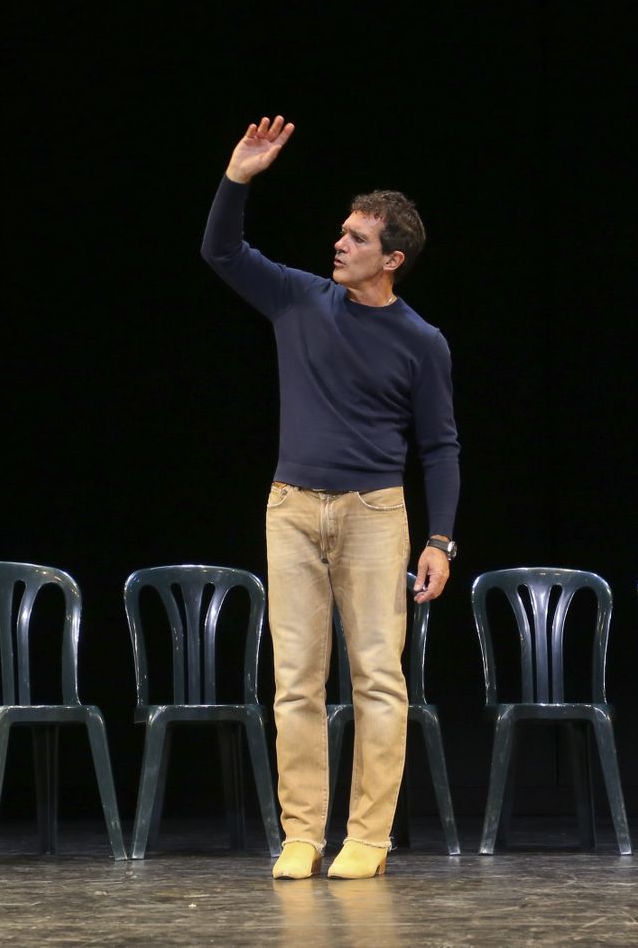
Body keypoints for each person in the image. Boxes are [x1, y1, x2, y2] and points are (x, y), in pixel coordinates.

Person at [201, 116, 461, 880]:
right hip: (291, 509)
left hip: (375, 513)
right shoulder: (298, 300)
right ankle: (303, 833)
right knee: (296, 678)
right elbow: (220, 251)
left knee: (378, 675)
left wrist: (439, 540)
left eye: (357, 237)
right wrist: (237, 177)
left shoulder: (422, 340)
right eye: (342, 231)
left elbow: (440, 447)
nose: (340, 242)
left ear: (392, 259)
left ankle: (368, 837)